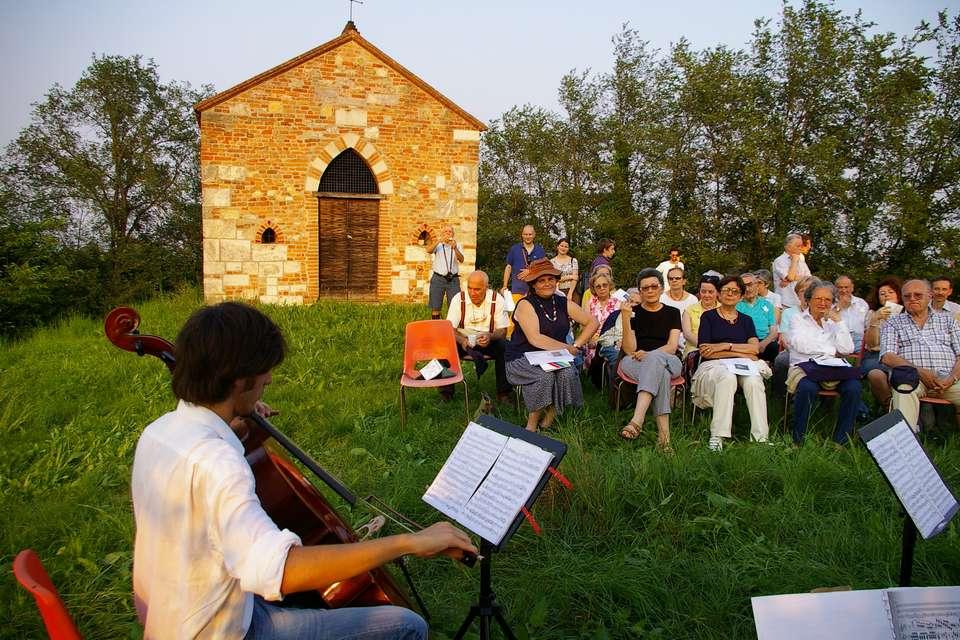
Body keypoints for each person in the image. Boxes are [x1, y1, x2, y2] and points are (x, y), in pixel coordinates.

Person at [132, 302, 476, 639]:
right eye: (264, 372)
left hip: (174, 611)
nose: (268, 378)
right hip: (225, 629)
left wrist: (237, 425)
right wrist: (409, 542)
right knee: (407, 626)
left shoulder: (158, 433)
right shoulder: (218, 464)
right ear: (239, 381)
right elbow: (280, 570)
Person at [506, 259, 598, 431]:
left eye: (551, 279)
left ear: (557, 281)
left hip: (552, 356)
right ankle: (531, 427)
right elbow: (535, 339)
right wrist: (566, 348)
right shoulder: (525, 304)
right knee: (544, 376)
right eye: (541, 280)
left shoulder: (562, 302)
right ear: (533, 284)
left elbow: (592, 322)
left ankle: (547, 421)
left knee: (568, 373)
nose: (547, 283)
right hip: (522, 357)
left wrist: (576, 345)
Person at [691, 275, 771, 451]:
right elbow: (706, 351)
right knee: (727, 377)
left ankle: (760, 438)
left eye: (735, 291)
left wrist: (725, 346)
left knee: (754, 381)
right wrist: (741, 352)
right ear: (718, 294)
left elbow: (755, 349)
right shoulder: (708, 317)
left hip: (742, 365)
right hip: (714, 365)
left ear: (741, 296)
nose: (730, 294)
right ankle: (718, 436)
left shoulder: (746, 320)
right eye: (726, 290)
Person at [786, 280, 859, 446]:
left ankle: (841, 440)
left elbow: (847, 348)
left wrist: (839, 323)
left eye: (827, 300)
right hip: (805, 367)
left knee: (853, 388)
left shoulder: (834, 322)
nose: (823, 303)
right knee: (807, 388)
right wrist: (830, 350)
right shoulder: (797, 319)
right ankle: (799, 438)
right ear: (809, 300)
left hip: (833, 369)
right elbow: (799, 344)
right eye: (818, 299)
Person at [881, 279, 960, 432]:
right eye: (907, 296)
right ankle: (905, 444)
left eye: (918, 295)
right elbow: (887, 356)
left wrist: (952, 378)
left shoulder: (948, 320)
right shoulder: (893, 322)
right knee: (903, 388)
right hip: (913, 378)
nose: (912, 299)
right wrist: (920, 372)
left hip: (949, 378)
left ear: (930, 296)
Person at [617, 268, 682, 452]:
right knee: (660, 373)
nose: (650, 290)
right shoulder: (633, 312)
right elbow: (629, 349)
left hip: (669, 359)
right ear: (640, 291)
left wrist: (651, 354)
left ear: (662, 288)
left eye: (654, 286)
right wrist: (625, 317)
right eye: (645, 288)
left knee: (656, 361)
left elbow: (672, 346)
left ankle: (637, 420)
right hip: (636, 361)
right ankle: (664, 440)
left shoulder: (673, 312)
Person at [446, 271, 512, 404]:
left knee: (506, 347)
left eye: (477, 289)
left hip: (489, 340)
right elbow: (449, 329)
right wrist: (462, 340)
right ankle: (446, 393)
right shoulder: (459, 299)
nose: (472, 293)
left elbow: (503, 330)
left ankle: (504, 393)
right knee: (445, 347)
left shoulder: (497, 299)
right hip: (464, 339)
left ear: (486, 288)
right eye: (469, 288)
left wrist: (490, 336)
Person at [863, 276, 903, 408]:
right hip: (876, 356)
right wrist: (875, 321)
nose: (886, 296)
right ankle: (889, 408)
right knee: (876, 375)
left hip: (901, 356)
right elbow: (872, 344)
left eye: (890, 292)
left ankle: (903, 407)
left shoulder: (908, 314)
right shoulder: (873, 313)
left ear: (899, 294)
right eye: (882, 293)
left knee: (904, 373)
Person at [737, 272, 779, 363]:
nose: (747, 289)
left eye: (750, 285)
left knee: (773, 347)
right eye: (744, 286)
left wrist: (763, 344)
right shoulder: (737, 305)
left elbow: (773, 330)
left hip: (764, 340)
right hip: (745, 342)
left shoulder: (767, 304)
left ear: (756, 285)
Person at [425, 225, 464, 320]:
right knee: (436, 306)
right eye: (445, 232)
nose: (448, 233)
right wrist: (439, 240)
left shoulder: (457, 245)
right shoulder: (438, 245)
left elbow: (461, 259)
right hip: (438, 279)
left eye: (450, 231)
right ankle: (436, 328)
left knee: (455, 305)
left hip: (453, 280)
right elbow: (428, 250)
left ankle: (452, 329)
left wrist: (455, 248)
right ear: (442, 234)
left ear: (453, 234)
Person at [584, 270, 620, 370]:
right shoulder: (590, 303)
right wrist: (590, 339)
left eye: (605, 285)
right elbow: (585, 324)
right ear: (594, 289)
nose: (602, 288)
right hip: (593, 339)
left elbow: (621, 326)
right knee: (592, 352)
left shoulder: (618, 303)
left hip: (612, 338)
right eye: (598, 286)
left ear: (610, 286)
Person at [502, 224, 546, 303]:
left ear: (534, 235)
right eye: (525, 234)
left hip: (536, 290)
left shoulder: (540, 250)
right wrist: (505, 286)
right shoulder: (514, 249)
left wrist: (530, 271)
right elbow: (508, 267)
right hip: (517, 290)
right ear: (522, 235)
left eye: (530, 234)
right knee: (516, 313)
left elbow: (544, 269)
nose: (528, 236)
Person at [681, 274, 720, 356]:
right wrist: (707, 348)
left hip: (721, 351)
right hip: (695, 350)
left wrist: (717, 349)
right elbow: (687, 334)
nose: (706, 295)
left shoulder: (724, 309)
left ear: (717, 292)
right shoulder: (689, 310)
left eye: (711, 292)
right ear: (699, 291)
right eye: (703, 291)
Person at [773, 233, 811, 308]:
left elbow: (809, 278)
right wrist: (794, 261)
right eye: (798, 246)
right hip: (785, 303)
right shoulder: (779, 261)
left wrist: (791, 278)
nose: (800, 248)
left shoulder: (800, 260)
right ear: (788, 247)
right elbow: (790, 277)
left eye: (801, 245)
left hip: (800, 302)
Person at [834, 275, 869, 349]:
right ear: (835, 288)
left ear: (852, 288)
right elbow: (827, 320)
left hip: (860, 340)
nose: (843, 290)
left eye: (846, 287)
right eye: (840, 287)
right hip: (838, 339)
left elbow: (868, 324)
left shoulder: (861, 303)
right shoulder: (831, 303)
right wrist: (839, 306)